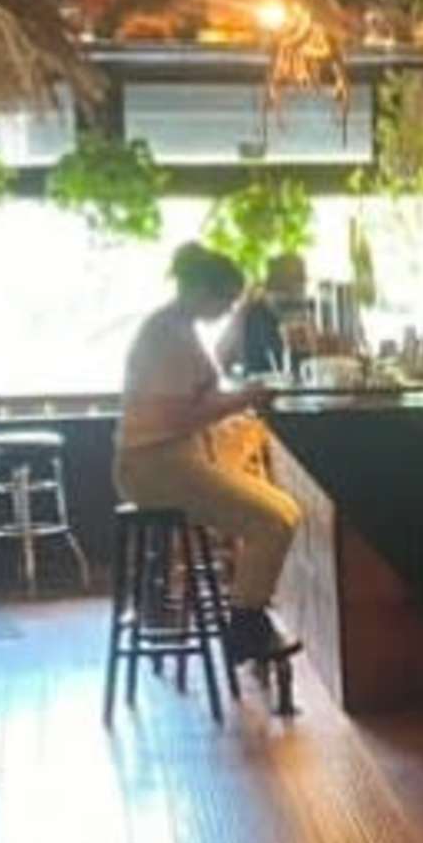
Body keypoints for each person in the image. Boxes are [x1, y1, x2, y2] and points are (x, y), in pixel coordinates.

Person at [115, 243, 301, 670]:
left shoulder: (175, 329)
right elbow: (177, 415)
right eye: (226, 300)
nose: (229, 308)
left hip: (171, 461)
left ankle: (248, 620)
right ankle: (245, 627)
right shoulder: (164, 335)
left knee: (284, 512)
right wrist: (244, 399)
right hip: (156, 466)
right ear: (201, 291)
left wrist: (239, 399)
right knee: (272, 521)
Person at [226, 249, 309, 382]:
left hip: (266, 379)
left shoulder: (254, 305)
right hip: (265, 380)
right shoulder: (256, 307)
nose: (304, 280)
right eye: (298, 276)